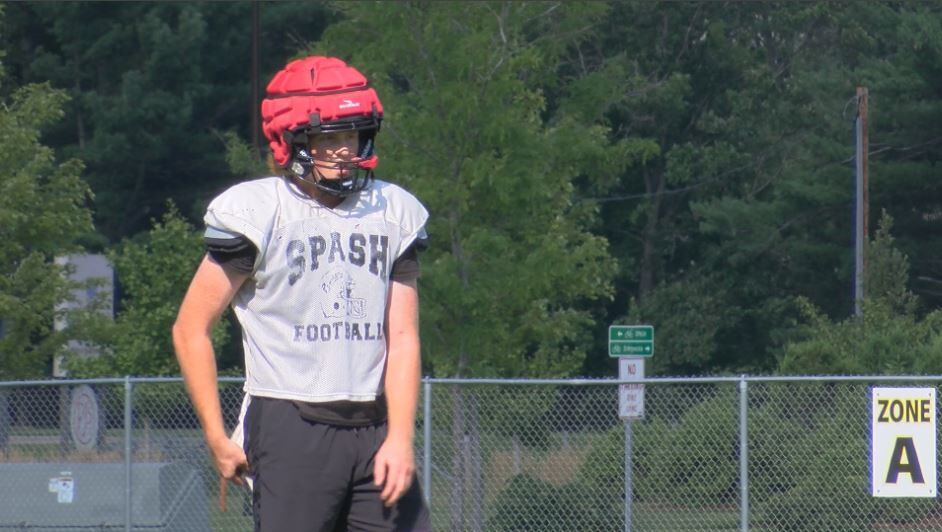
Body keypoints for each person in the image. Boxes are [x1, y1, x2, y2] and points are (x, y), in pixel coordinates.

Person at [172, 55, 431, 531]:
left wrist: (400, 435)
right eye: (327, 138)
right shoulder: (259, 211)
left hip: (376, 422)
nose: (342, 150)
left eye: (350, 135)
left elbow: (404, 336)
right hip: (291, 421)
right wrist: (214, 434)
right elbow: (191, 329)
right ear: (290, 141)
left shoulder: (393, 210)